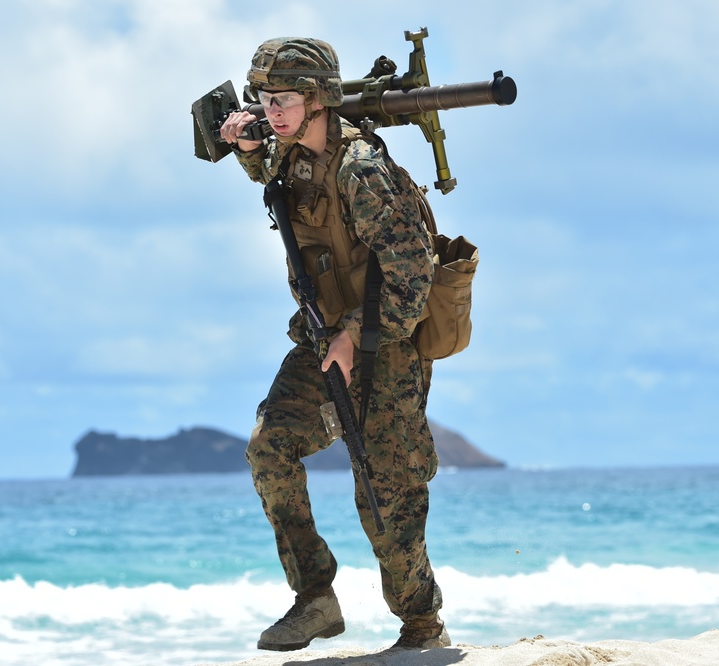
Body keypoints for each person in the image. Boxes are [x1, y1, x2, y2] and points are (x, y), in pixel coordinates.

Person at [218, 36, 450, 652]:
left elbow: (413, 271)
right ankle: (315, 597)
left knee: (385, 493)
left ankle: (422, 626)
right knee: (269, 447)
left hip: (387, 345)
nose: (274, 112)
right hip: (324, 338)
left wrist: (355, 338)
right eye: (265, 99)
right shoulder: (287, 153)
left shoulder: (362, 171)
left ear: (319, 99)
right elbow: (268, 170)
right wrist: (245, 146)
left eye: (286, 99)